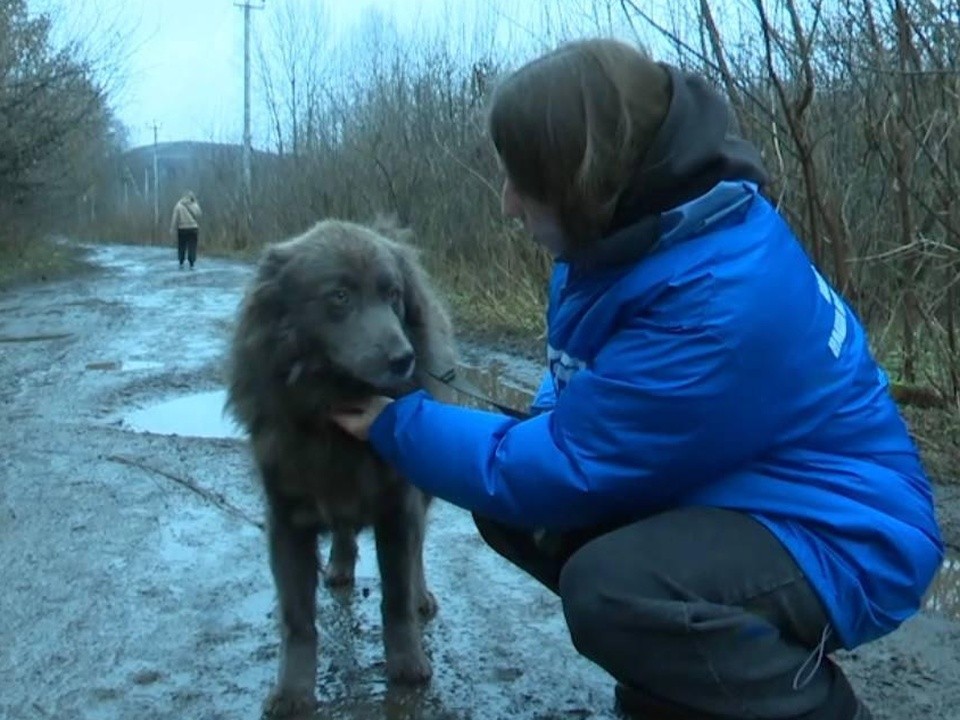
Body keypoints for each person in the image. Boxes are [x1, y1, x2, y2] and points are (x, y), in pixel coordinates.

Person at [329, 38, 944, 720]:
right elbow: (575, 390)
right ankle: (683, 681)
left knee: (609, 587)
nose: (506, 203)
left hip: (848, 534)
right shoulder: (626, 237)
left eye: (522, 179)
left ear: (580, 178)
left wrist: (397, 424)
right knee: (519, 512)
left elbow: (569, 466)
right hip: (752, 494)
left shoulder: (715, 298)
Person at [169, 190, 202, 269]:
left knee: (181, 246)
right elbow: (199, 214)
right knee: (192, 246)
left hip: (182, 228)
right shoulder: (194, 204)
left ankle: (181, 261)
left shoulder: (178, 205)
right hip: (193, 228)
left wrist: (172, 228)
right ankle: (191, 262)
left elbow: (175, 218)